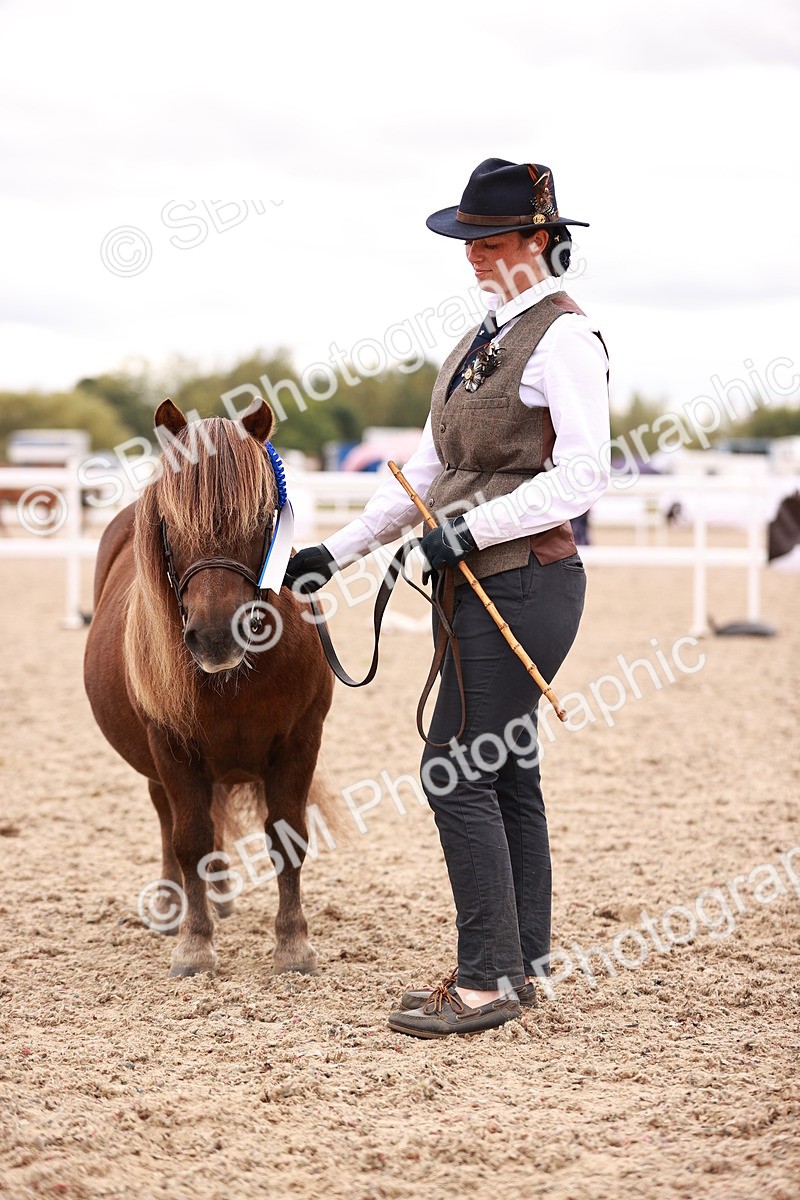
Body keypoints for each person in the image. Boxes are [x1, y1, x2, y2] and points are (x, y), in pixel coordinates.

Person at [284, 158, 610, 1038]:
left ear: (540, 241)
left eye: (492, 242)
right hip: (475, 585)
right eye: (468, 243)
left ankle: (481, 984)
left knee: (452, 768)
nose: (474, 258)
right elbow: (430, 472)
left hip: (530, 581)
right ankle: (521, 965)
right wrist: (341, 550)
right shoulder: (479, 341)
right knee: (503, 773)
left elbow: (585, 474)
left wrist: (473, 530)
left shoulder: (567, 341)